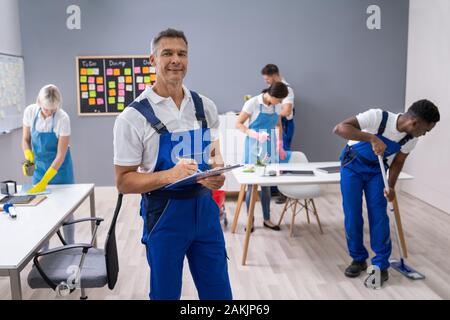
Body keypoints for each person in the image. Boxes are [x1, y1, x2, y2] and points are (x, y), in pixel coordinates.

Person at [113, 28, 232, 300]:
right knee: (165, 293)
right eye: (167, 53)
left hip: (206, 211)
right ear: (152, 60)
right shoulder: (133, 118)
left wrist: (218, 170)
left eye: (182, 53)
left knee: (219, 293)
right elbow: (123, 181)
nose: (175, 59)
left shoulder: (205, 106)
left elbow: (214, 151)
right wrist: (169, 175)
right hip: (164, 215)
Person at [333, 100, 440, 285]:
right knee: (352, 214)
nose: (423, 134)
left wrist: (390, 186)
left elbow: (398, 162)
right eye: (425, 130)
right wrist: (372, 138)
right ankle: (358, 259)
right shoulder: (378, 117)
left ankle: (381, 266)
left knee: (379, 216)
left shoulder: (411, 140)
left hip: (377, 170)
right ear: (415, 123)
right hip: (352, 166)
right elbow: (340, 128)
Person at [22, 84, 75, 247]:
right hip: (39, 168)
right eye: (46, 109)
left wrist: (46, 180)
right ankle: (43, 251)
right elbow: (25, 139)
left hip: (60, 170)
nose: (50, 112)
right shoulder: (30, 112)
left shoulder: (63, 118)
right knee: (41, 210)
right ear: (39, 102)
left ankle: (69, 246)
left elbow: (60, 154)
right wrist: (28, 155)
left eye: (53, 110)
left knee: (67, 211)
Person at [236, 82, 289, 232]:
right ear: (272, 95)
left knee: (266, 186)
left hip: (269, 147)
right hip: (253, 145)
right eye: (279, 100)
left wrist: (279, 144)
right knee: (251, 187)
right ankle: (250, 220)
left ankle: (267, 219)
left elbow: (278, 125)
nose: (280, 104)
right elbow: (238, 124)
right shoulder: (252, 103)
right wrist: (255, 134)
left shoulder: (276, 106)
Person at [261, 64, 295, 204]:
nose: (266, 82)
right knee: (272, 154)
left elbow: (286, 110)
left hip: (285, 125)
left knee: (283, 156)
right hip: (274, 125)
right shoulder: (271, 90)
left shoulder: (287, 90)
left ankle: (286, 191)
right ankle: (275, 188)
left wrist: (272, 116)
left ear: (274, 76)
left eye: (267, 79)